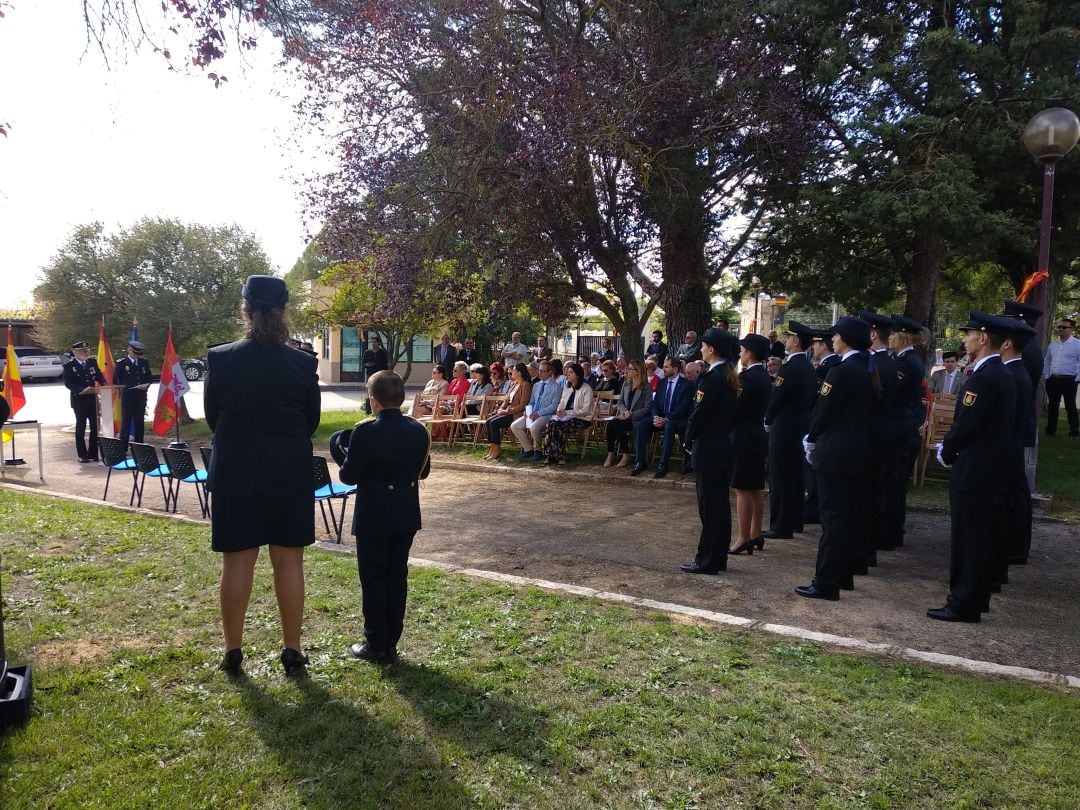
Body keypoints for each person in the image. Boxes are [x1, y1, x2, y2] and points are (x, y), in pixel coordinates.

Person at [205, 275, 321, 676]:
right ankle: (292, 649)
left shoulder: (219, 358)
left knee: (237, 564)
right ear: (283, 312)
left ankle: (233, 651)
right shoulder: (304, 364)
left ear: (246, 311)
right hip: (287, 473)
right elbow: (311, 422)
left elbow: (213, 418)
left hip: (236, 472)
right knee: (289, 563)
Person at [338, 370, 431, 663]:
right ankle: (391, 641)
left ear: (373, 401)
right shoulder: (419, 430)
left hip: (374, 515)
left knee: (374, 578)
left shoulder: (364, 432)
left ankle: (376, 643)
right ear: (401, 399)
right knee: (397, 576)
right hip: (405, 512)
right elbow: (423, 471)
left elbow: (348, 476)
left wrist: (342, 453)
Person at [930, 312, 1016, 622]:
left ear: (983, 338)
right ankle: (975, 598)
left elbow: (967, 424)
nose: (964, 339)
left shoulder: (986, 376)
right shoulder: (1002, 373)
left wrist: (946, 451)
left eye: (969, 334)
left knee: (969, 540)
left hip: (976, 471)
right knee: (982, 538)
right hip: (990, 470)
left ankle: (963, 602)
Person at [795, 316, 874, 601]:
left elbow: (823, 411)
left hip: (835, 452)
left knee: (833, 518)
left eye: (836, 336)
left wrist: (811, 438)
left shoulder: (842, 370)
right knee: (845, 515)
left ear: (846, 339)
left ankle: (826, 581)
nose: (833, 340)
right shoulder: (862, 368)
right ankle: (842, 575)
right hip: (853, 451)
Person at [680, 329, 739, 574]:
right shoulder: (726, 376)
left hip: (708, 448)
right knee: (719, 507)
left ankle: (707, 559)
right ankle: (717, 557)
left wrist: (687, 438)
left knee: (709, 506)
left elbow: (698, 415)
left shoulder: (711, 378)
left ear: (712, 350)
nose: (701, 350)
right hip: (722, 446)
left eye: (703, 346)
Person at [763, 322, 816, 540]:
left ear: (795, 341)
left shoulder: (790, 367)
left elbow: (777, 398)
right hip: (801, 429)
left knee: (780, 478)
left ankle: (780, 525)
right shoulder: (808, 367)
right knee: (795, 477)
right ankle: (795, 521)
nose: (786, 341)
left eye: (789, 338)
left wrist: (768, 418)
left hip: (784, 430)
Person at [883, 315, 927, 551]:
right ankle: (889, 530)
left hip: (899, 428)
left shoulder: (907, 363)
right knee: (891, 481)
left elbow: (893, 394)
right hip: (899, 426)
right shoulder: (902, 359)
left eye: (892, 334)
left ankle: (890, 532)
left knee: (893, 482)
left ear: (903, 336)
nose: (888, 338)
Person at [729, 334, 772, 556]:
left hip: (744, 437)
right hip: (757, 435)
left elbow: (736, 408)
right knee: (754, 488)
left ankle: (743, 537)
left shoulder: (747, 378)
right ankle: (755, 533)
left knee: (742, 489)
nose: (740, 354)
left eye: (742, 350)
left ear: (750, 353)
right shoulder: (765, 376)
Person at [1000, 319, 1037, 566]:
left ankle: (1014, 546)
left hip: (1009, 440)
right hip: (1012, 438)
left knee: (1014, 492)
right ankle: (1014, 545)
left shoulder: (1015, 371)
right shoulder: (1015, 369)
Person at [802, 329, 841, 525]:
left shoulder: (832, 366)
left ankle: (813, 508)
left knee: (814, 471)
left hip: (820, 425)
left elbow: (820, 400)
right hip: (815, 422)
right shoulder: (827, 365)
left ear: (823, 346)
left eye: (816, 344)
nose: (813, 347)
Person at [633, 356, 693, 478]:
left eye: (666, 367)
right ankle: (640, 461)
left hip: (676, 419)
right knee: (641, 425)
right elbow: (655, 404)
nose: (663, 369)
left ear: (675, 369)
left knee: (669, 427)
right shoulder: (661, 383)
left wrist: (666, 419)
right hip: (660, 417)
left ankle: (663, 464)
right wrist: (655, 416)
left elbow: (683, 407)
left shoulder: (687, 385)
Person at [62, 341, 107, 462]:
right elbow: (68, 383)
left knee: (94, 427)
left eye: (86, 351)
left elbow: (98, 375)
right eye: (82, 351)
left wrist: (104, 383)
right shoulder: (69, 365)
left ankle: (93, 453)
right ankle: (82, 455)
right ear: (75, 352)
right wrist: (81, 390)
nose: (85, 353)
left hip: (92, 399)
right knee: (81, 427)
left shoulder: (91, 362)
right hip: (79, 400)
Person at [542, 361, 594, 465]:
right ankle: (551, 455)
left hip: (582, 418)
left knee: (559, 426)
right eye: (568, 372)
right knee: (551, 423)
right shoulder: (567, 387)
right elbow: (562, 402)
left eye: (571, 372)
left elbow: (586, 410)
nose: (567, 374)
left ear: (578, 375)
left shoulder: (586, 389)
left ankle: (560, 455)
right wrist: (559, 411)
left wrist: (569, 413)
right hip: (566, 417)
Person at [604, 360, 652, 468]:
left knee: (618, 425)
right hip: (624, 415)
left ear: (638, 371)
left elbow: (648, 408)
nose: (627, 371)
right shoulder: (626, 383)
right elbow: (620, 402)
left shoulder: (646, 387)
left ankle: (626, 455)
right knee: (611, 423)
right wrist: (625, 411)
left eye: (630, 369)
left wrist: (631, 414)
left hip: (636, 418)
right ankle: (610, 453)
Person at [511, 360, 560, 461]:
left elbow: (554, 406)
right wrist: (527, 411)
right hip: (533, 413)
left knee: (533, 427)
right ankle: (528, 449)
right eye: (539, 371)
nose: (540, 373)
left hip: (547, 414)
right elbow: (531, 401)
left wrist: (538, 413)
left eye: (543, 371)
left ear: (550, 372)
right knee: (515, 426)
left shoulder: (556, 387)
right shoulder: (537, 385)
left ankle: (538, 450)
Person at [483, 363, 531, 461]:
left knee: (494, 423)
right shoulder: (514, 383)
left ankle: (497, 450)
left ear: (519, 373)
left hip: (515, 414)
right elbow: (506, 400)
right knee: (488, 421)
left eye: (513, 370)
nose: (510, 372)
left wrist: (506, 411)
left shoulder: (526, 385)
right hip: (506, 411)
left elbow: (522, 405)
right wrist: (501, 409)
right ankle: (493, 448)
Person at [1043, 317, 1080, 438]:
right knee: (1053, 405)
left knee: (1070, 406)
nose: (1060, 329)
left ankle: (1074, 432)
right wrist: (1047, 375)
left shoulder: (1077, 345)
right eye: (1059, 327)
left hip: (1069, 380)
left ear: (1072, 329)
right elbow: (1047, 360)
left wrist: (1077, 378)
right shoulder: (1053, 344)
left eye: (1064, 327)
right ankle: (1050, 431)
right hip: (1053, 379)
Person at [112, 339, 153, 446]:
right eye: (135, 353)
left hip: (141, 395)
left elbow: (149, 377)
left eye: (139, 353)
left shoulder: (144, 362)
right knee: (126, 421)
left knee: (139, 421)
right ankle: (123, 446)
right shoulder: (122, 363)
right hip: (128, 396)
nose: (137, 355)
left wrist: (146, 385)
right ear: (129, 350)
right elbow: (115, 380)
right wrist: (126, 386)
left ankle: (139, 445)